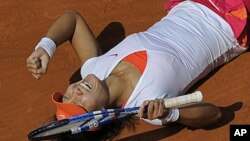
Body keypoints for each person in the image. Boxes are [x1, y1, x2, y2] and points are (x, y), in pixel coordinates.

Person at [26, 0, 249, 129]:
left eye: (66, 96)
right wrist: (171, 114)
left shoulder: (93, 68)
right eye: (78, 102)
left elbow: (72, 19)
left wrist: (45, 47)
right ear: (101, 115)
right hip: (232, 19)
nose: (74, 92)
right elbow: (215, 114)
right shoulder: (148, 104)